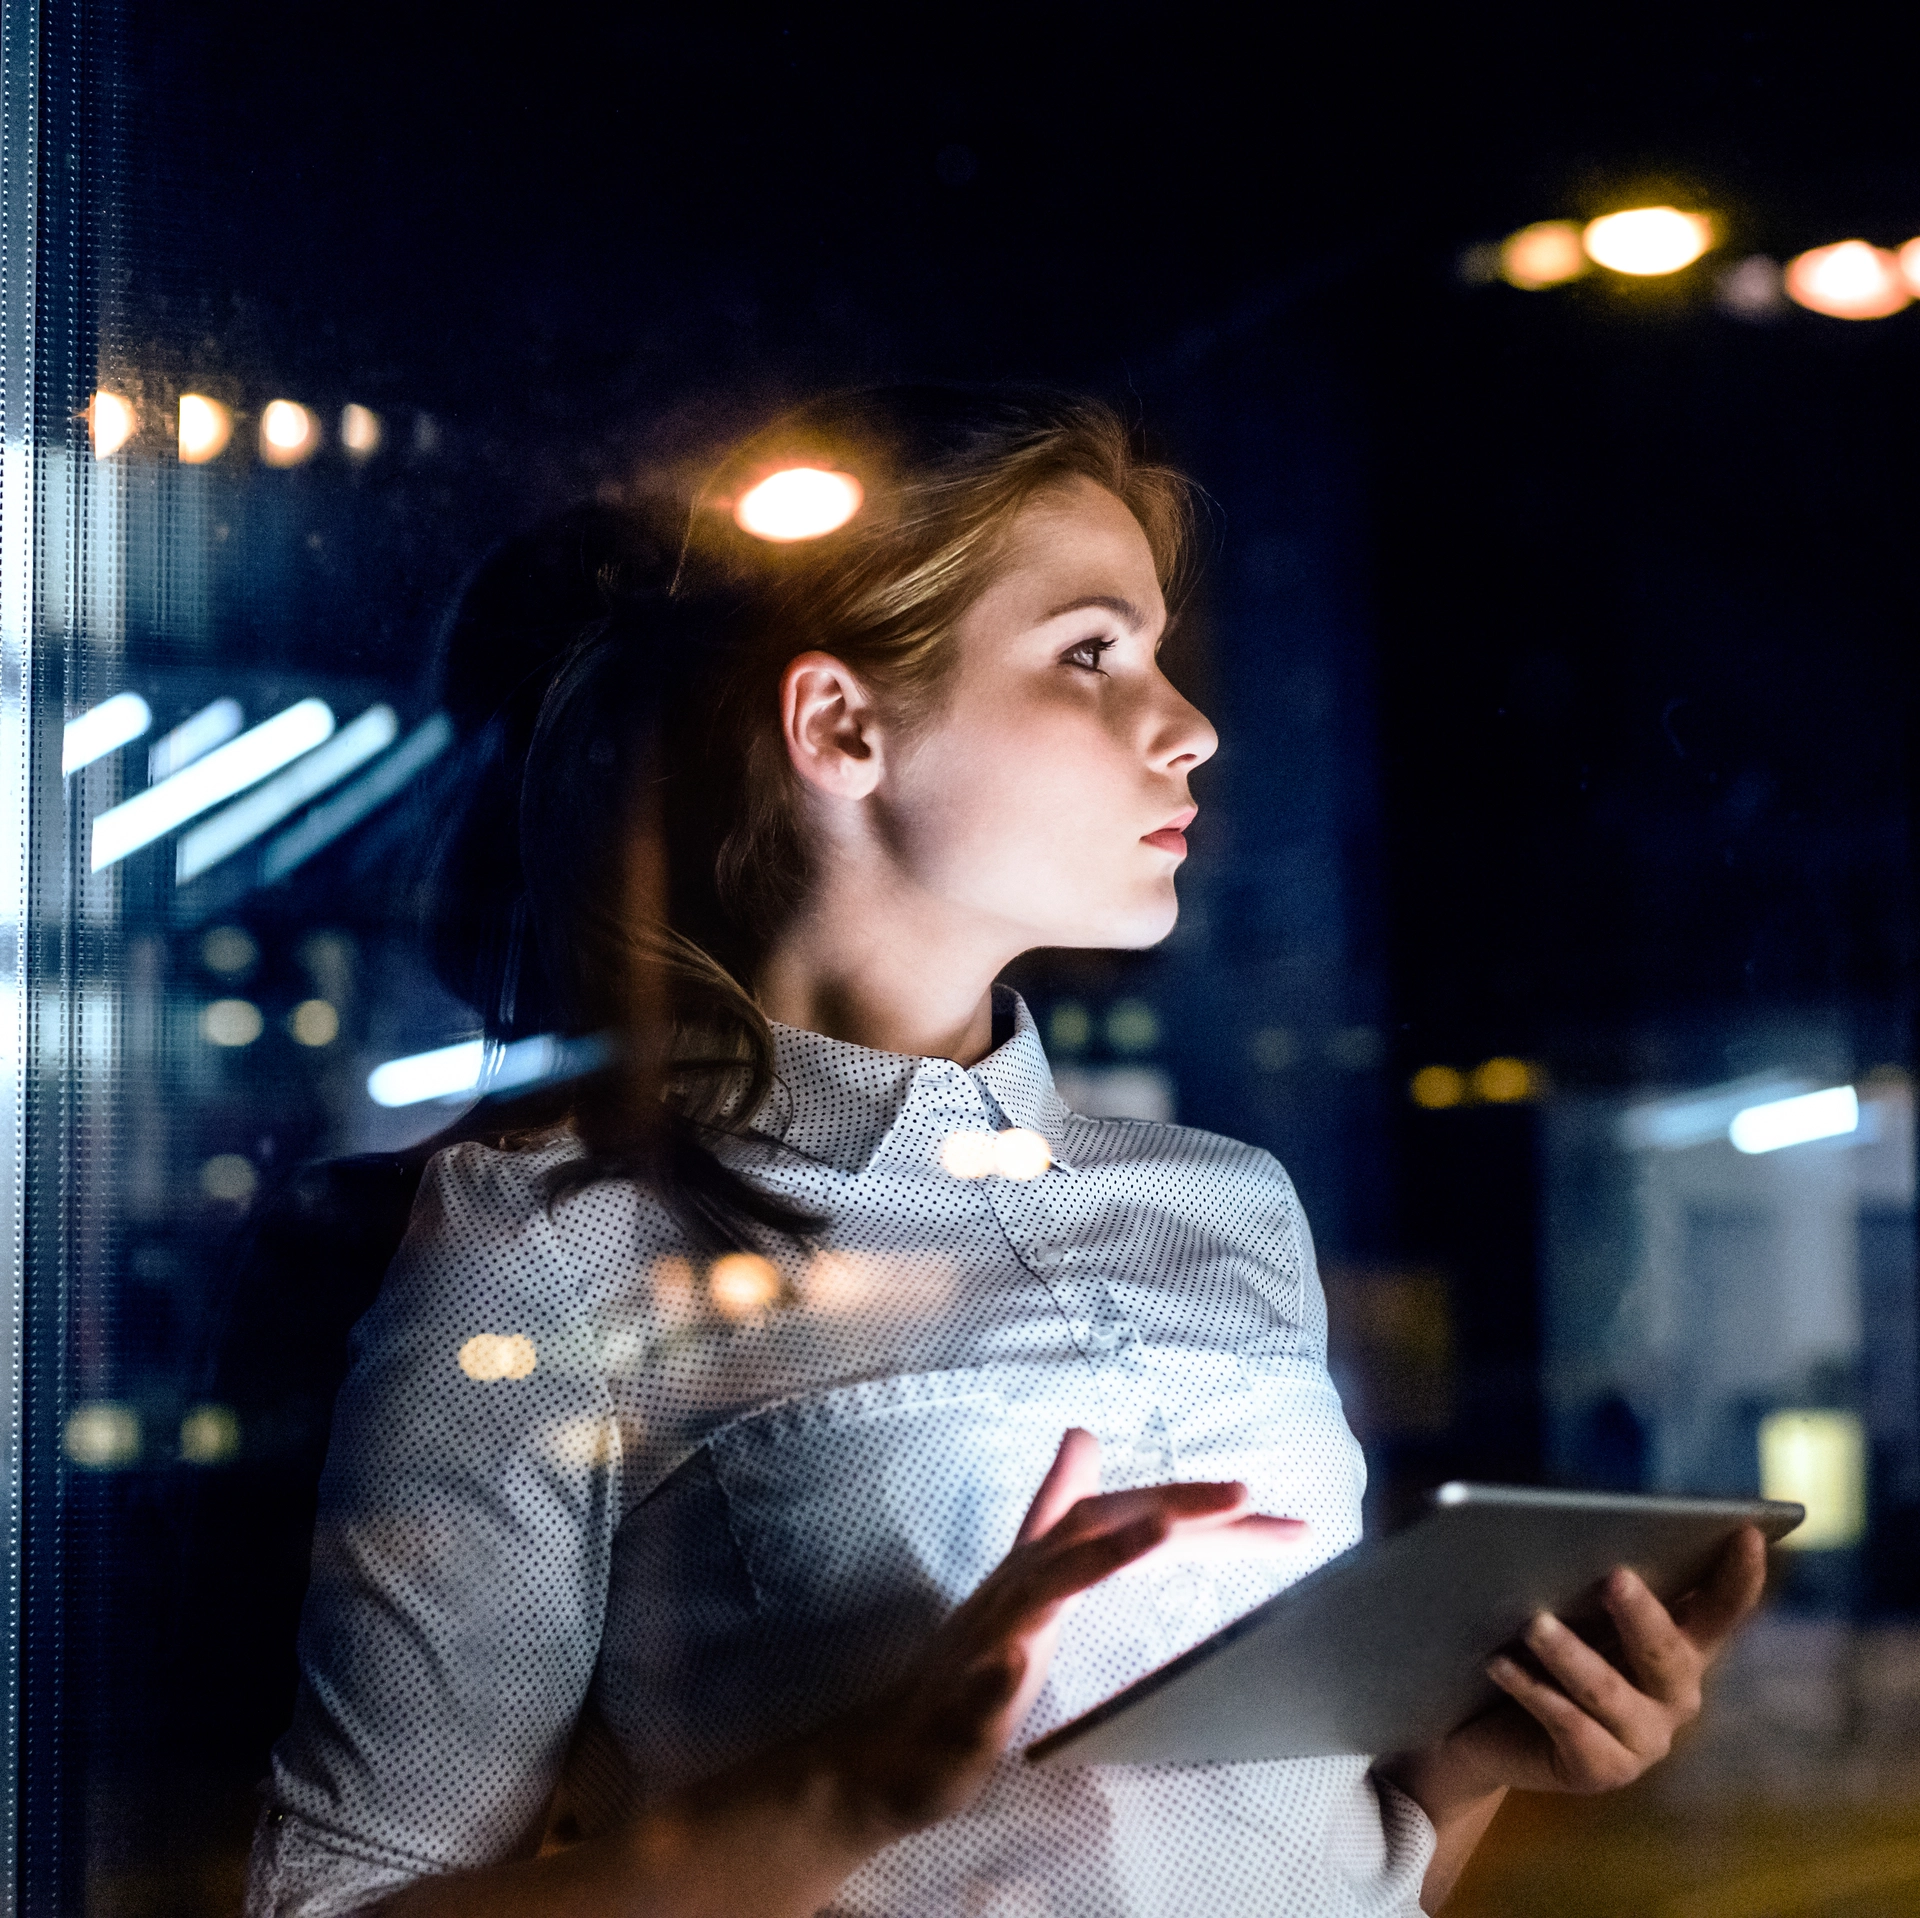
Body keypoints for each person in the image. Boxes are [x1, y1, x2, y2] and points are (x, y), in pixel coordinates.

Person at [245, 386, 1766, 1918]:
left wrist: (1471, 1764)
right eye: (1092, 654)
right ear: (841, 723)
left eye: (1158, 654)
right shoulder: (555, 1248)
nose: (1192, 724)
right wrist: (858, 1786)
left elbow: (1317, 1862)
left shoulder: (1232, 1204)